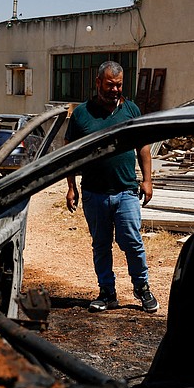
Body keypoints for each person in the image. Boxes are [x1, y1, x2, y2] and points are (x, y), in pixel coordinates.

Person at [65, 61, 159, 313]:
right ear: (98, 83)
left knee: (132, 242)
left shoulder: (131, 110)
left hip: (126, 191)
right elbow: (69, 153)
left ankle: (142, 288)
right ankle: (107, 293)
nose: (115, 90)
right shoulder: (82, 114)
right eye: (109, 85)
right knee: (101, 245)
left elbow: (143, 147)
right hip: (94, 193)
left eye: (118, 85)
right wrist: (71, 186)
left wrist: (147, 180)